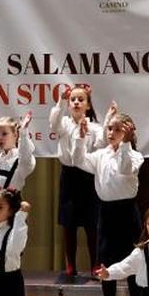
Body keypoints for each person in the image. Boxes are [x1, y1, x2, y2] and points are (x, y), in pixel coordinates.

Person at [73, 105, 145, 296]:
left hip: (127, 212)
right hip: (106, 212)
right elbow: (78, 160)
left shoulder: (135, 155)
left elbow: (124, 169)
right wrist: (80, 138)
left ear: (127, 133)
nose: (111, 133)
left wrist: (125, 143)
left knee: (133, 261)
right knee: (105, 260)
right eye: (109, 129)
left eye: (117, 129)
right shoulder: (101, 155)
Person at [49, 83, 103, 281]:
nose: (76, 102)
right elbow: (53, 123)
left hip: (88, 176)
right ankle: (70, 264)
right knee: (68, 223)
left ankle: (95, 264)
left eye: (81, 99)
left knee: (92, 223)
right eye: (73, 99)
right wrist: (61, 100)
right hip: (69, 176)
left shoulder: (95, 127)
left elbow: (100, 146)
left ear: (88, 105)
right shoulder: (63, 123)